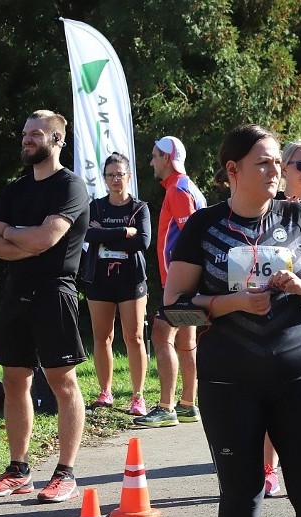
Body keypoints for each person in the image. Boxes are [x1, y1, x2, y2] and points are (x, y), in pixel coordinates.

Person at [165, 124, 301, 517]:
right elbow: (172, 308)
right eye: (262, 162)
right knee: (242, 497)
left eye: (276, 162)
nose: (275, 170)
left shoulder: (300, 218)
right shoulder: (204, 226)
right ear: (233, 169)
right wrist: (232, 303)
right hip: (230, 382)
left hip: (298, 375)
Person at [0, 110, 89, 504]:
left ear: (57, 139)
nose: (26, 139)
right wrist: (19, 238)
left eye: (36, 134)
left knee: (63, 383)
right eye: (25, 133)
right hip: (16, 293)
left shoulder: (70, 187)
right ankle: (19, 470)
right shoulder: (15, 189)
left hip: (54, 292)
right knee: (14, 381)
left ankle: (65, 471)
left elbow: (47, 238)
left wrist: (13, 235)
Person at [265, 138, 301, 495]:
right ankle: (268, 468)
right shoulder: (266, 209)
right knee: (274, 399)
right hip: (281, 321)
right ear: (283, 168)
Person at [134, 136, 207, 428]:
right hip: (189, 280)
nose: (151, 162)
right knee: (187, 341)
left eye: (154, 156)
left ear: (167, 158)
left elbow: (190, 237)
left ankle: (166, 407)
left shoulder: (178, 190)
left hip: (181, 282)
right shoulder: (186, 187)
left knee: (162, 335)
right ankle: (188, 404)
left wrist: (183, 282)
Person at [82, 152, 150, 416]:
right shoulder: (96, 207)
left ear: (129, 176)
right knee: (102, 337)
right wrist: (122, 232)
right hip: (99, 280)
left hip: (130, 280)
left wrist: (105, 236)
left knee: (133, 338)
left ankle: (138, 396)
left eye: (120, 174)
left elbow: (142, 242)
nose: (115, 180)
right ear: (104, 178)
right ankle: (105, 392)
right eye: (110, 175)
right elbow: (87, 233)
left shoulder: (139, 208)